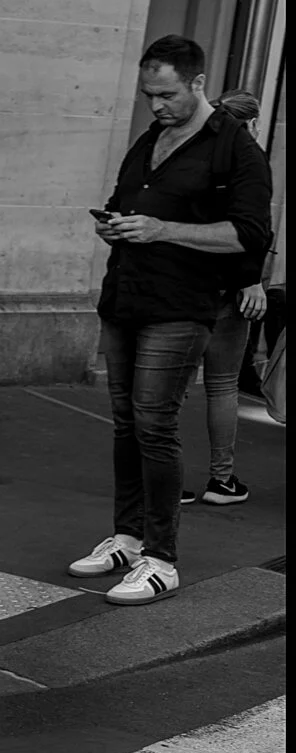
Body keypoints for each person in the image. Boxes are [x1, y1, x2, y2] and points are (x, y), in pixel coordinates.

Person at [76, 35, 272, 604]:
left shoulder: (235, 150)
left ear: (198, 84)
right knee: (125, 424)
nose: (156, 105)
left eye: (166, 94)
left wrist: (163, 230)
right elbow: (124, 201)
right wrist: (113, 224)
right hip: (126, 297)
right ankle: (128, 537)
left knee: (154, 423)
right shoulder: (151, 139)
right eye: (148, 95)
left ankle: (162, 559)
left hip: (182, 305)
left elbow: (249, 236)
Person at [179, 87, 272, 507]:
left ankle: (169, 482)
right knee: (222, 385)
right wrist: (251, 280)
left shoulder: (195, 155)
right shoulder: (251, 162)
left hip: (187, 284)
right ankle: (221, 480)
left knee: (174, 386)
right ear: (252, 123)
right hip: (232, 288)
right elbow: (251, 231)